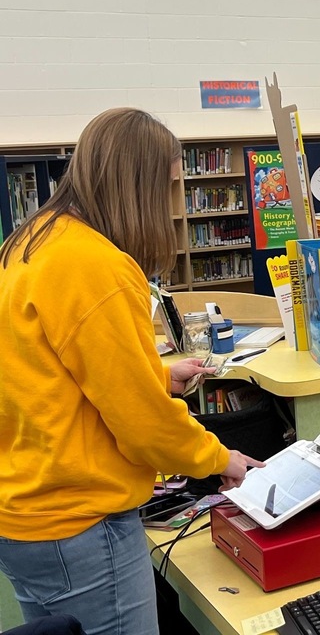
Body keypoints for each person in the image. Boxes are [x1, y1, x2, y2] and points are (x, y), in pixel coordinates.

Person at [0, 108, 262, 635]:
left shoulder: (30, 243)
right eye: (166, 187)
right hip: (80, 523)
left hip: (27, 511)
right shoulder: (97, 265)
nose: (168, 204)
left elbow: (44, 376)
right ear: (137, 184)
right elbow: (144, 426)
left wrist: (156, 379)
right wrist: (221, 459)